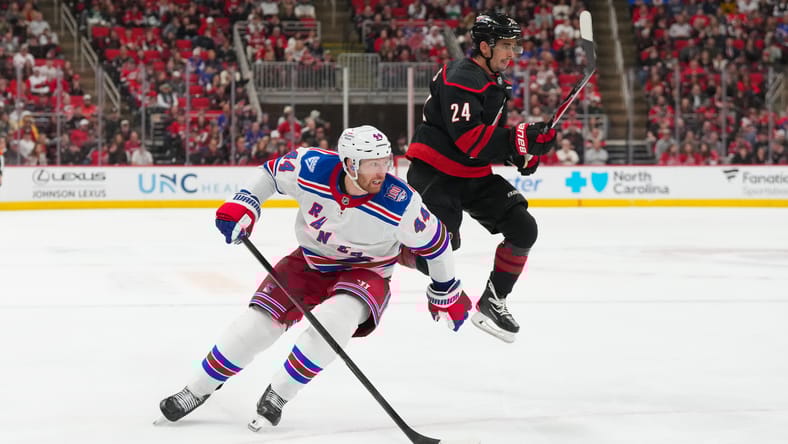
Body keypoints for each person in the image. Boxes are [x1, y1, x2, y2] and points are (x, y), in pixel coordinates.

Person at [157, 125, 470, 429]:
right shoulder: (311, 166)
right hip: (309, 261)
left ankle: (278, 394)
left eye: (385, 162)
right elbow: (270, 173)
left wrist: (446, 289)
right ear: (349, 164)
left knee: (336, 321)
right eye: (372, 164)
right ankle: (197, 389)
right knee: (255, 326)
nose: (382, 172)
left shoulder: (401, 201)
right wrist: (245, 204)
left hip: (368, 271)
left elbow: (438, 244)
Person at [401, 12, 556, 343]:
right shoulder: (462, 76)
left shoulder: (495, 82)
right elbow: (468, 138)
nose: (511, 54)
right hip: (436, 171)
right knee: (440, 253)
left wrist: (521, 155)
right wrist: (520, 138)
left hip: (471, 171)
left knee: (524, 228)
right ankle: (393, 249)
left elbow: (488, 139)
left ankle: (494, 301)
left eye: (514, 47)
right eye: (505, 46)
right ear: (485, 46)